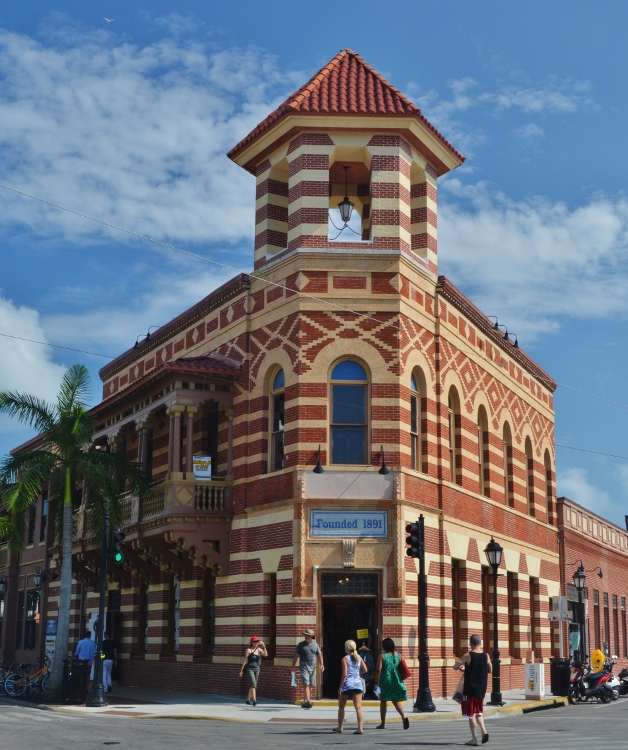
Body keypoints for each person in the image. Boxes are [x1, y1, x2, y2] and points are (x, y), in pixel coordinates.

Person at [453, 634, 491, 746]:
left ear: (472, 644)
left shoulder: (468, 655)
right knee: (479, 711)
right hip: (481, 688)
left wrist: (460, 665)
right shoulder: (486, 655)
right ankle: (484, 731)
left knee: (470, 714)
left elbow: (455, 667)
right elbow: (490, 669)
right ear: (480, 643)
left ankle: (474, 739)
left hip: (470, 689)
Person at [332, 639, 368, 735]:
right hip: (357, 684)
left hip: (347, 684)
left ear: (347, 648)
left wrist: (340, 687)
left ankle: (340, 727)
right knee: (358, 707)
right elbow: (365, 669)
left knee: (341, 707)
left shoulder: (345, 659)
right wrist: (357, 673)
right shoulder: (359, 657)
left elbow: (344, 674)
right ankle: (360, 728)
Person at [373, 637, 409, 729]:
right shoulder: (399, 655)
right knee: (396, 700)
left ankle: (383, 723)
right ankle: (403, 717)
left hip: (385, 680)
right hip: (396, 679)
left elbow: (378, 670)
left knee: (383, 701)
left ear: (384, 647)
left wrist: (375, 682)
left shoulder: (382, 656)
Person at [291, 628, 324, 708]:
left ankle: (304, 701)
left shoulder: (315, 645)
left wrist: (322, 664)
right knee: (306, 684)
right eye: (305, 635)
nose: (306, 637)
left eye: (308, 635)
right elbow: (296, 656)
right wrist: (293, 666)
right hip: (303, 665)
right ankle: (308, 702)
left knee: (310, 684)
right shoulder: (301, 645)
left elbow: (319, 655)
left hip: (312, 666)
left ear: (311, 636)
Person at [239, 636, 267, 706]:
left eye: (257, 642)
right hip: (250, 669)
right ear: (251, 642)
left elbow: (266, 655)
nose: (256, 643)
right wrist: (241, 670)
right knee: (253, 684)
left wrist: (264, 646)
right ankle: (254, 700)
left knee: (253, 685)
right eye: (254, 642)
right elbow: (245, 660)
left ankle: (248, 700)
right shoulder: (248, 650)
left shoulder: (259, 650)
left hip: (257, 668)